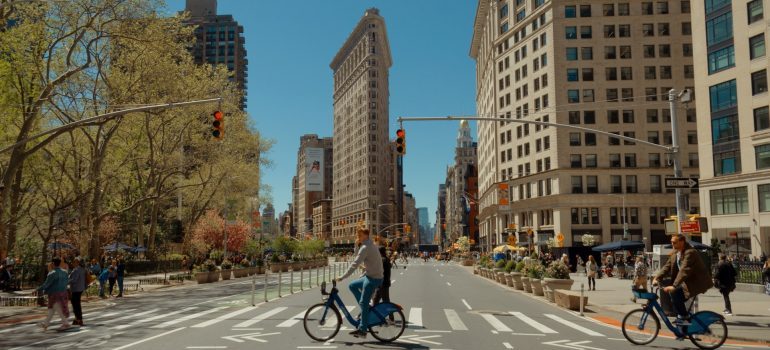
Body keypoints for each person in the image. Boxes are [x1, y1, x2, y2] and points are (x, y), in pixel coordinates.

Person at [652, 234, 712, 326]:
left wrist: (674, 286)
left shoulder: (690, 252)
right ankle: (683, 322)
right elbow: (666, 267)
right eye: (671, 242)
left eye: (674, 242)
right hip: (685, 282)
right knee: (675, 298)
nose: (672, 244)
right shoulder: (676, 253)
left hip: (695, 283)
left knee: (675, 294)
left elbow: (684, 270)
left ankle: (685, 318)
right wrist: (657, 278)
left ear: (682, 241)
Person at [335, 228, 384, 338]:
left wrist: (343, 277)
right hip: (370, 275)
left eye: (359, 235)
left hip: (373, 278)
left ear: (365, 235)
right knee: (352, 286)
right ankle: (365, 308)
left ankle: (363, 330)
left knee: (363, 302)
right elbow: (359, 257)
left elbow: (355, 264)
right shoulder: (368, 245)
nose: (357, 236)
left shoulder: (366, 247)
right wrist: (356, 246)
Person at [36, 258, 71, 331]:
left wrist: (38, 289)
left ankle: (65, 323)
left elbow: (46, 284)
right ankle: (45, 324)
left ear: (53, 263)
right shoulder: (65, 272)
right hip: (63, 293)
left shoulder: (52, 273)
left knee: (57, 308)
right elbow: (67, 282)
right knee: (52, 309)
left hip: (54, 294)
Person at [68, 257, 86, 326]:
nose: (73, 263)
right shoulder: (82, 269)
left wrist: (67, 281)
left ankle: (78, 319)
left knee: (75, 304)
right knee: (77, 304)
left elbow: (74, 280)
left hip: (76, 289)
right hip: (81, 288)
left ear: (78, 263)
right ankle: (78, 318)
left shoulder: (76, 270)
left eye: (74, 262)